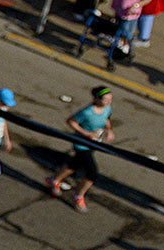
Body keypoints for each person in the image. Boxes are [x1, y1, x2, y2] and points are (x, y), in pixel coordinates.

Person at [44, 85, 114, 213]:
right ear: (96, 99)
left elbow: (107, 118)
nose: (108, 102)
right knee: (92, 172)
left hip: (93, 144)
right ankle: (78, 196)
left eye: (110, 99)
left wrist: (109, 131)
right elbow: (71, 121)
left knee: (74, 165)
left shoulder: (107, 108)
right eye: (106, 99)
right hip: (81, 144)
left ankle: (54, 180)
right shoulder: (87, 112)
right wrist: (86, 133)